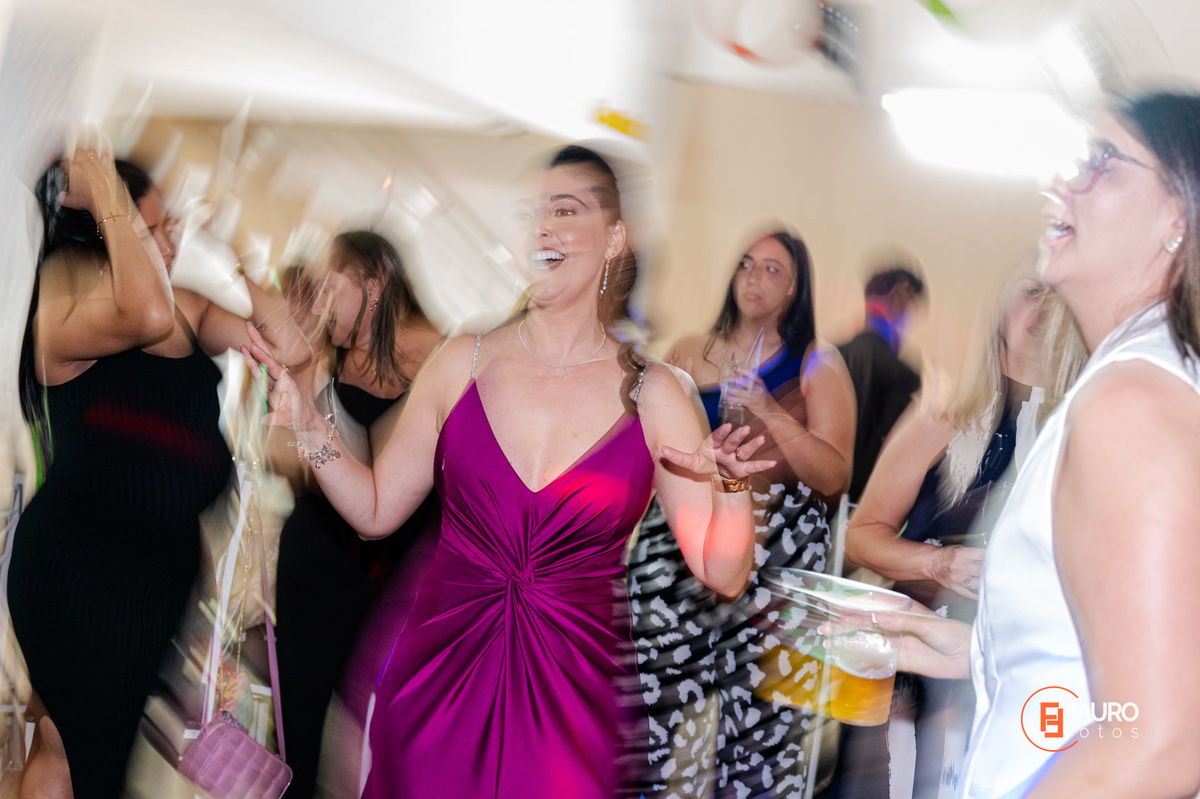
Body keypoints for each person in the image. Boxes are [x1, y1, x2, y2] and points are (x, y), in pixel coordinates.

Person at [243, 144, 772, 798]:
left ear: (614, 238)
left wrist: (733, 486)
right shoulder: (461, 361)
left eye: (565, 210)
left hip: (570, 712)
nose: (543, 227)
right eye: (533, 213)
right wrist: (307, 424)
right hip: (435, 690)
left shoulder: (656, 393)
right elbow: (375, 511)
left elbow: (721, 570)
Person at [889, 91, 1200, 798]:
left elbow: (1160, 743)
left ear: (1178, 218)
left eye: (1102, 162)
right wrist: (981, 652)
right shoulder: (1140, 379)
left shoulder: (1129, 401)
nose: (1059, 181)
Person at [9, 143, 309, 798]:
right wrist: (106, 189)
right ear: (108, 228)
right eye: (151, 228)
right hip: (77, 581)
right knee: (77, 752)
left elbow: (290, 344)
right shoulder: (64, 312)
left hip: (155, 591)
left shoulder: (189, 309)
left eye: (170, 226)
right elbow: (142, 311)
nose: (169, 242)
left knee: (83, 754)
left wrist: (238, 254)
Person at [629, 229, 855, 798]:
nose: (755, 278)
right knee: (650, 726)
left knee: (760, 745)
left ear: (796, 286)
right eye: (747, 264)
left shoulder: (817, 363)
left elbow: (834, 476)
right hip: (684, 553)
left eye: (773, 269)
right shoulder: (689, 349)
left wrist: (769, 409)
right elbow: (652, 446)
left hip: (776, 563)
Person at [836, 276, 1055, 799]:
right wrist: (939, 563)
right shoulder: (946, 408)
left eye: (1059, 293)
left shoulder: (1082, 424)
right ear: (998, 306)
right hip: (921, 663)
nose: (1047, 305)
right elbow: (861, 537)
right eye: (1031, 289)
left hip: (1026, 662)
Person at [271, 230, 443, 799]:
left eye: (330, 288)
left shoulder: (441, 358)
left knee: (363, 738)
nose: (321, 303)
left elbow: (386, 469)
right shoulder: (325, 356)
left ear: (372, 286)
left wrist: (321, 443)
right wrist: (304, 406)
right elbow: (278, 453)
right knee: (297, 729)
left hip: (391, 581)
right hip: (316, 559)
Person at [838, 265, 925, 502]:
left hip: (812, 498)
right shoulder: (904, 375)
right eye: (910, 307)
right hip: (862, 501)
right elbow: (893, 452)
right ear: (899, 298)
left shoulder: (826, 356)